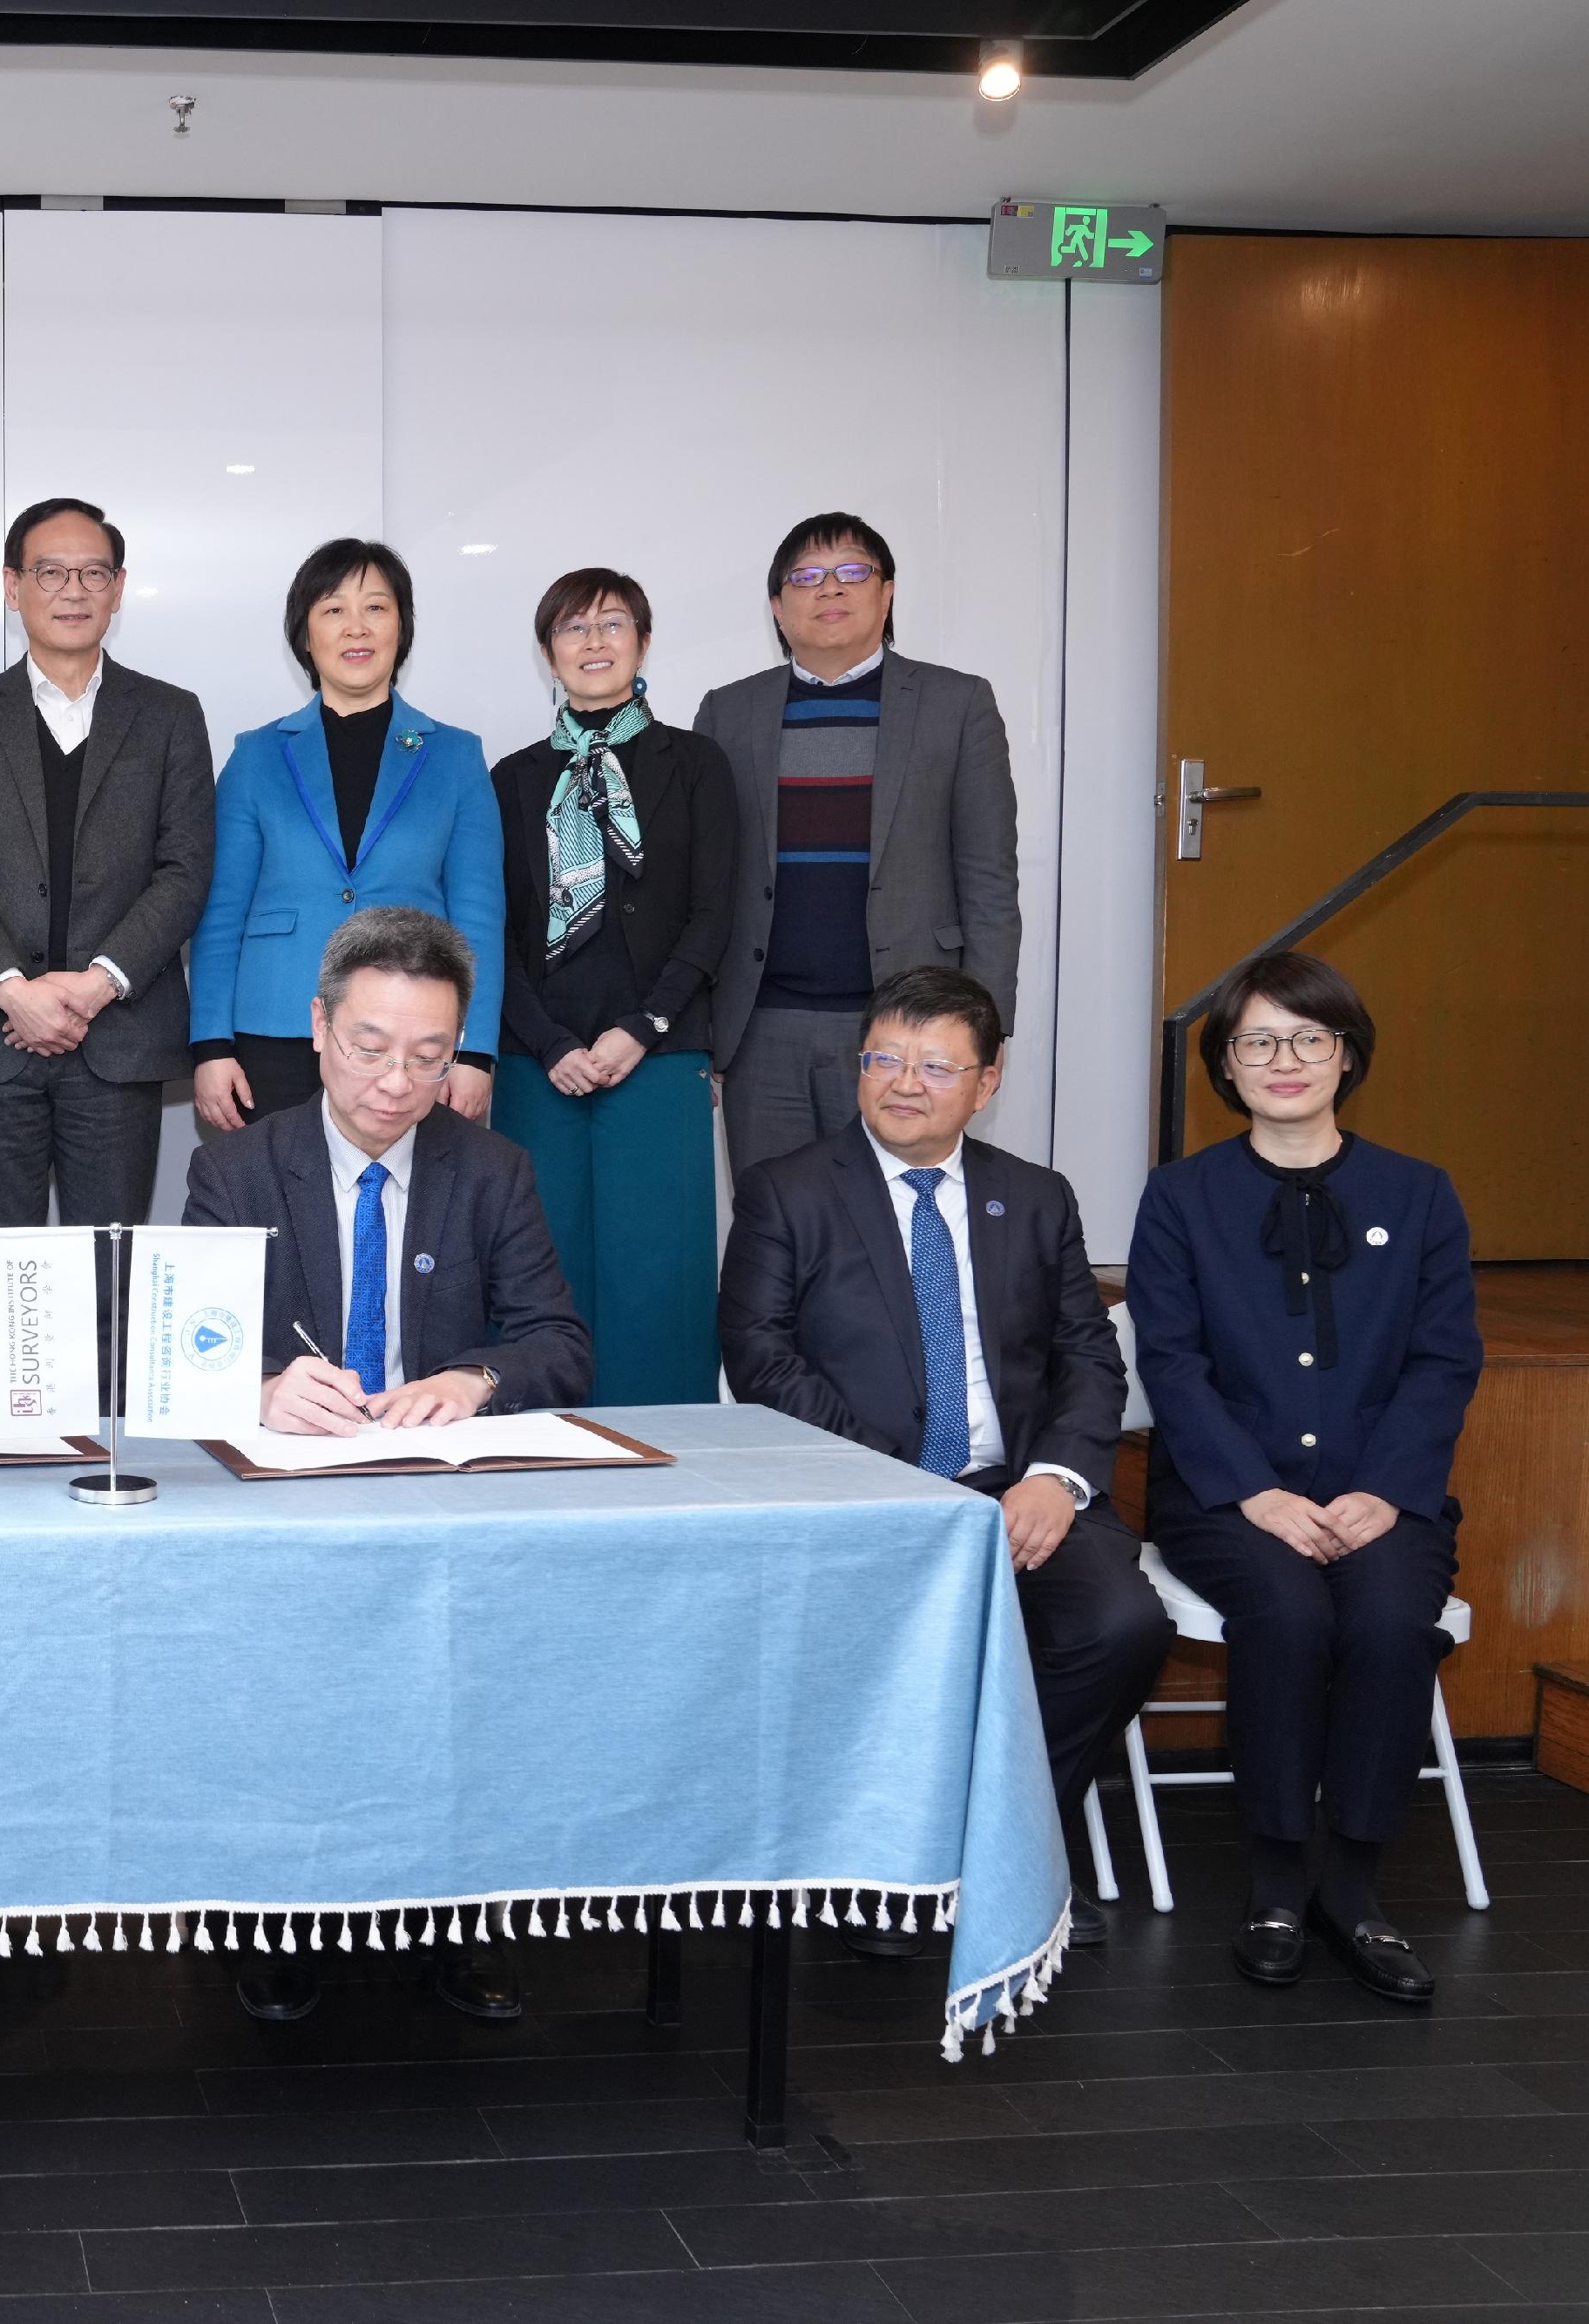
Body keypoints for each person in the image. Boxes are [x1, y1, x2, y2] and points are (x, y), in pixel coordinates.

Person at [179, 905, 589, 2026]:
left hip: (438, 1501)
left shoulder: (491, 1170)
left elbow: (559, 1341)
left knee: (472, 1675)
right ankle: (282, 1918)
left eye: (428, 1055)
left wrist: (475, 1380)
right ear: (316, 1029)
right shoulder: (235, 1171)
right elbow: (171, 1353)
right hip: (289, 1503)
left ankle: (454, 1920)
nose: (397, 1082)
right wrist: (256, 1390)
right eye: (369, 1046)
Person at [716, 966, 1169, 1959]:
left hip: (1015, 1491)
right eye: (883, 1059)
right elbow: (758, 1355)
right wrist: (896, 1481)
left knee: (1122, 1623)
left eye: (934, 1065)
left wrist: (1056, 1478)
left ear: (987, 1079)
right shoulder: (787, 1192)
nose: (902, 1083)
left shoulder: (1034, 1198)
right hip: (865, 1492)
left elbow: (1086, 1358)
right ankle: (895, 1861)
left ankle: (1000, 1847)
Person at [1127, 952, 1481, 2003]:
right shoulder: (1180, 1198)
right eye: (1256, 1042)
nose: (1284, 1060)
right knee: (1285, 1616)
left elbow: (1442, 1358)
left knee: (1384, 1624)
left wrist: (1385, 1489)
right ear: (1225, 1068)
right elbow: (1172, 1362)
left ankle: (1356, 1890)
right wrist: (1255, 1493)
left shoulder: (1418, 1195)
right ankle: (1279, 1880)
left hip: (1388, 1492)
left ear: (1346, 1054)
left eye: (1308, 1038)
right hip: (1225, 1497)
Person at [0, 497, 215, 1242]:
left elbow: (185, 868)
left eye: (93, 572)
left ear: (118, 589)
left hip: (120, 1037)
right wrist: (12, 991)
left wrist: (95, 985)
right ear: (13, 586)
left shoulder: (171, 713)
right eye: (51, 571)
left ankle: (107, 1370)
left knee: (108, 1262)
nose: (73, 590)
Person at [699, 512, 1018, 1178]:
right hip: (762, 1027)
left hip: (909, 1027)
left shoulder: (957, 703)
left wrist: (985, 1025)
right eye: (807, 577)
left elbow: (989, 880)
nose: (830, 589)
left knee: (897, 1218)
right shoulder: (728, 711)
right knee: (774, 1223)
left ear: (888, 591)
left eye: (852, 571)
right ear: (778, 607)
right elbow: (709, 880)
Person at [488, 568, 738, 1406]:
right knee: (539, 1269)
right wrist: (550, 1042)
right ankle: (542, 1459)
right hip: (538, 1062)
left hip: (661, 1056)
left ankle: (671, 1470)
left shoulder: (697, 764)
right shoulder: (512, 778)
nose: (594, 643)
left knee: (657, 1278)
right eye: (573, 629)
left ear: (644, 642)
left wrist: (644, 1025)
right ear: (548, 653)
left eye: (613, 624)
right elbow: (496, 932)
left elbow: (713, 915)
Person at [193, 540, 502, 1133]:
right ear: (306, 635)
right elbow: (220, 912)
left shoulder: (456, 757)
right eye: (334, 609)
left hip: (413, 1035)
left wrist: (476, 1050)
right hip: (276, 1026)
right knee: (277, 1205)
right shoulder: (256, 755)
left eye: (377, 608)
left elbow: (479, 915)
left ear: (402, 628)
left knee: (411, 1213)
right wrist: (211, 1044)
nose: (356, 627)